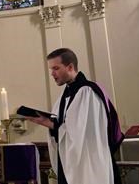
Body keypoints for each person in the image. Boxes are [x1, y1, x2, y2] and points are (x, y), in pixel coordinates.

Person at [26, 48, 123, 184]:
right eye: (51, 69)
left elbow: (81, 134)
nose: (52, 74)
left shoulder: (87, 92)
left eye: (56, 68)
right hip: (69, 162)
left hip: (89, 162)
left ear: (70, 67)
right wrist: (47, 123)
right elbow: (65, 128)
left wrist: (50, 124)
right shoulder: (64, 95)